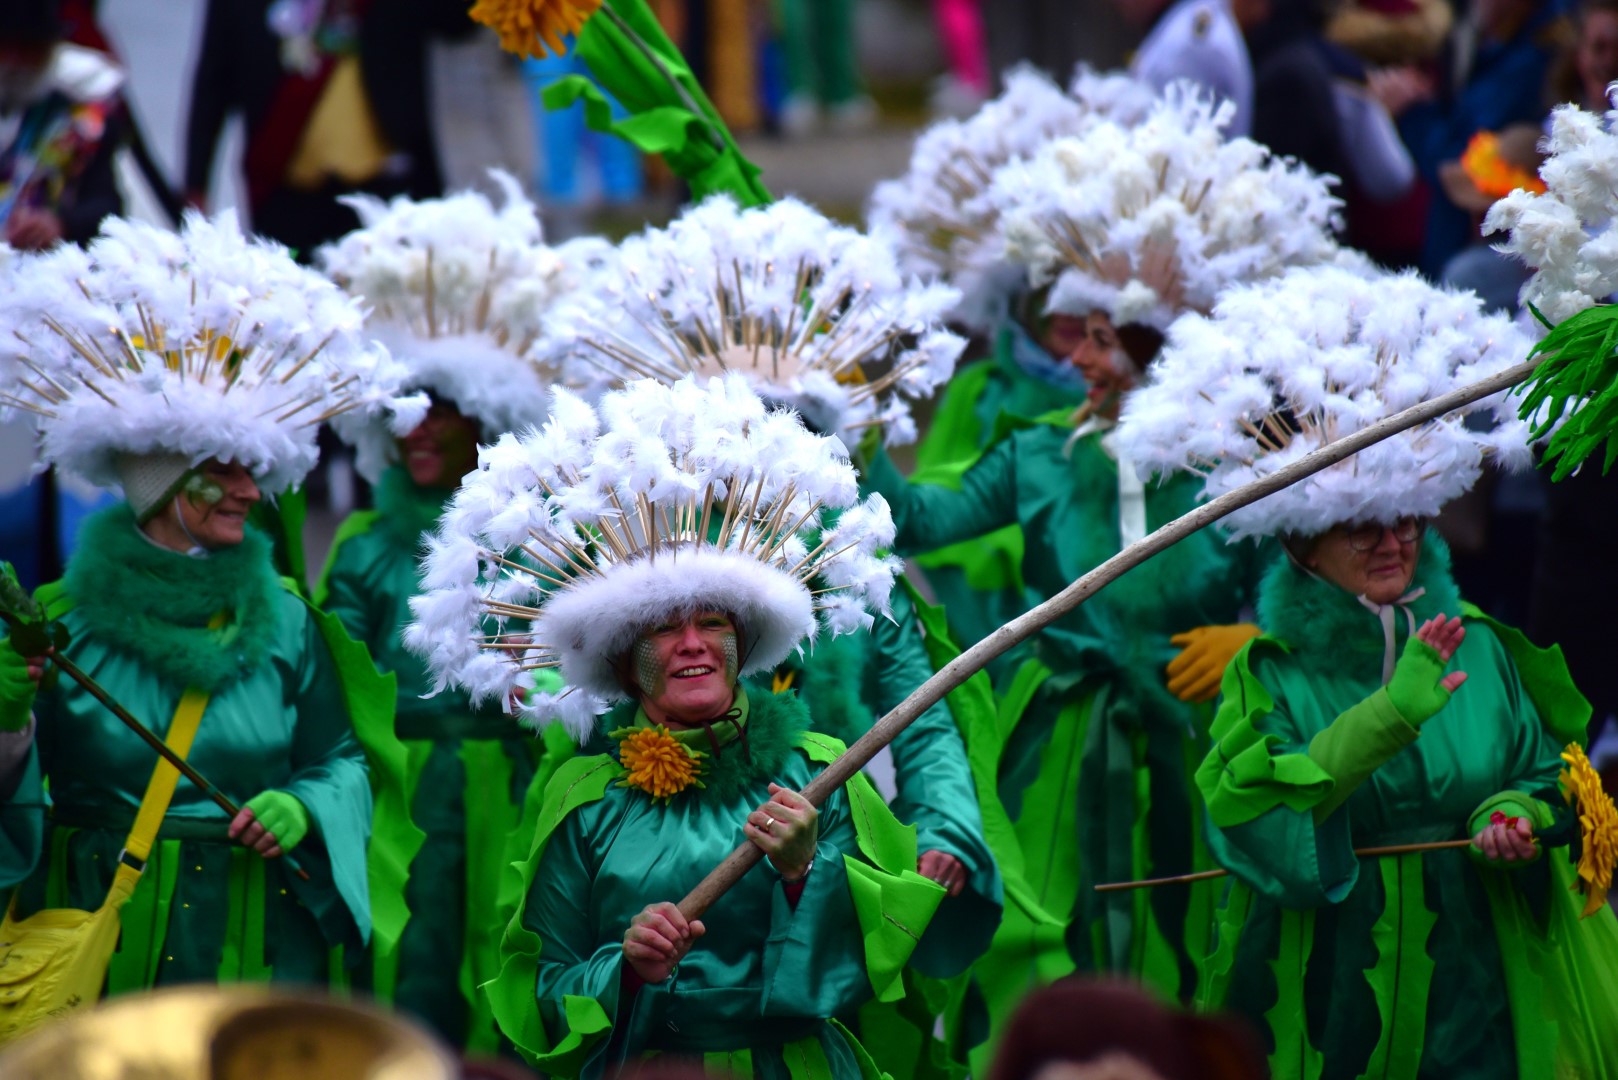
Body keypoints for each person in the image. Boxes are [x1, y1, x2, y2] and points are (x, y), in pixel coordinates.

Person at [864, 88, 1342, 1064]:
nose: (1073, 356)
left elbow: (1305, 575)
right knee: (1061, 913)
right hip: (1061, 733)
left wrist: (1260, 639)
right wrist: (858, 423)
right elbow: (925, 520)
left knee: (1199, 916)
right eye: (1072, 333)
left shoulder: (1230, 461)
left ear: (1153, 347)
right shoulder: (1037, 452)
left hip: (1199, 727)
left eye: (1096, 338)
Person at [526, 195, 1001, 1073]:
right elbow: (559, 931)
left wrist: (940, 826)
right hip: (660, 833)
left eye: (774, 429)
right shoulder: (645, 556)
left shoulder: (847, 560)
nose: (694, 640)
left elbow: (921, 710)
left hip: (840, 836)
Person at [1117, 263, 1618, 1078]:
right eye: (1362, 527)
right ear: (1303, 544)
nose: (1393, 544)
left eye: (1407, 521)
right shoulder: (1270, 675)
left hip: (1483, 982)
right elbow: (1260, 822)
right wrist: (1392, 713)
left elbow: (1547, 771)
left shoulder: (1478, 645)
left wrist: (1518, 815)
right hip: (1332, 995)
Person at [405, 375, 947, 1077]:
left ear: (744, 642)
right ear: (624, 663)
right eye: (662, 627)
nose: (693, 644)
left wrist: (803, 873)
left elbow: (882, 959)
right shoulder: (585, 799)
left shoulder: (820, 772)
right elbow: (542, 992)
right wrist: (624, 969)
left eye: (713, 621)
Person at [0, 212, 425, 994]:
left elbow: (344, 759)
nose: (250, 491)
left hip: (251, 947)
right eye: (224, 469)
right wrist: (9, 722)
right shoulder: (60, 621)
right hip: (101, 949)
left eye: (253, 469)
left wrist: (306, 805)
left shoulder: (288, 620)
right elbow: (13, 798)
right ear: (161, 479)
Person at [314, 178, 574, 1052]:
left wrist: (541, 691)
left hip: (515, 791)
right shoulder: (363, 546)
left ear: (487, 416)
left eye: (440, 408)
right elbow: (331, 682)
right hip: (401, 801)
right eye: (403, 410)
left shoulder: (540, 537)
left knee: (507, 968)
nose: (417, 430)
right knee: (410, 975)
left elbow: (576, 662)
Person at [183, 0, 473, 259]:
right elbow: (214, 79)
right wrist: (197, 184)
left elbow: (458, 22)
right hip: (285, 189)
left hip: (385, 186)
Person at [0, 0, 125, 250]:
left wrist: (62, 225)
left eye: (29, 49)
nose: (16, 62)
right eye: (7, 47)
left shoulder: (80, 115)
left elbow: (106, 205)